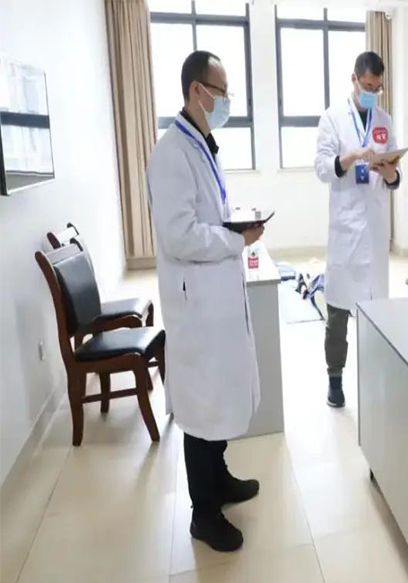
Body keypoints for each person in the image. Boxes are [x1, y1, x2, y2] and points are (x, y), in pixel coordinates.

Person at [147, 50, 264, 553]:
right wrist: (236, 239)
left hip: (214, 294)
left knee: (219, 394)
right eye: (221, 91)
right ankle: (204, 514)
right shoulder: (170, 153)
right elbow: (179, 235)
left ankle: (219, 479)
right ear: (197, 90)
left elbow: (206, 215)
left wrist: (235, 225)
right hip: (195, 303)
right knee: (200, 407)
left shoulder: (200, 145)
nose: (226, 101)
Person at [314, 51, 401, 408]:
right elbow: (322, 168)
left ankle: (375, 376)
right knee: (337, 313)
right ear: (354, 79)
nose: (372, 94)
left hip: (375, 229)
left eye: (377, 88)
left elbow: (395, 172)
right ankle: (335, 379)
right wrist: (350, 157)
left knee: (375, 311)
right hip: (346, 230)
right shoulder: (332, 118)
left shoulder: (385, 120)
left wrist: (391, 173)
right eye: (367, 87)